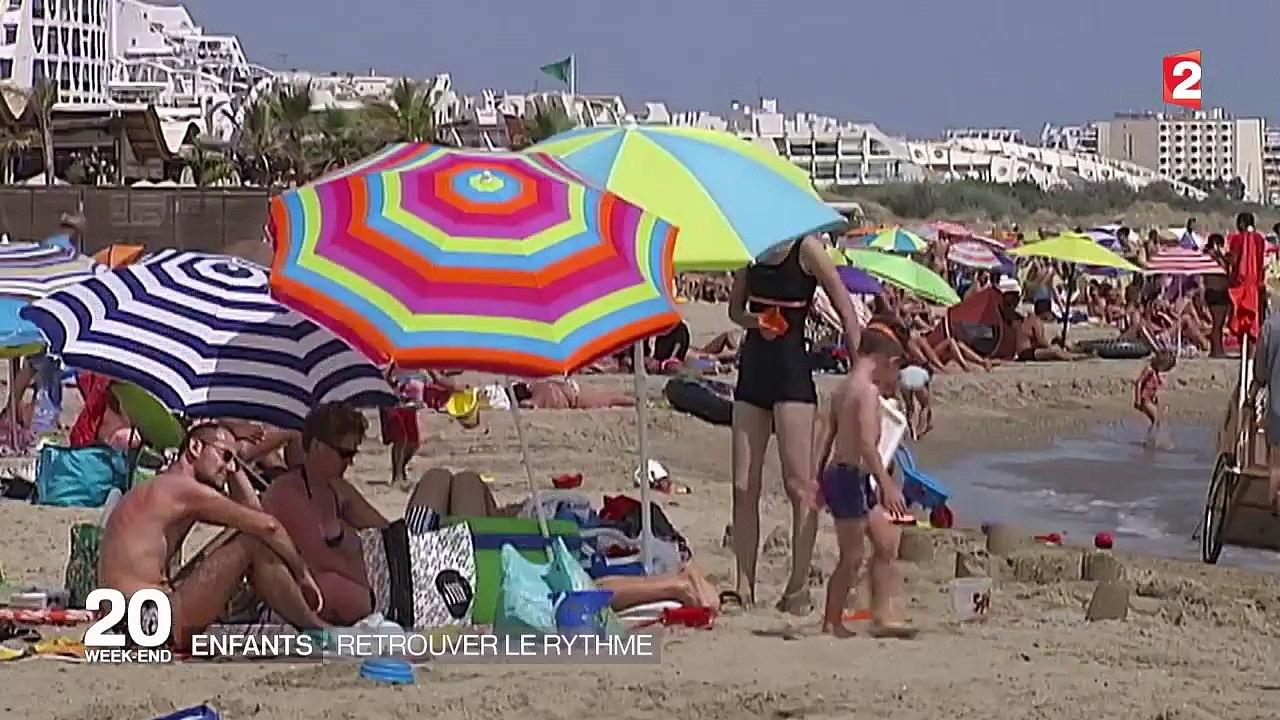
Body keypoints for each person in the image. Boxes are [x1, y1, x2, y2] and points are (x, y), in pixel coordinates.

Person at [97, 422, 326, 650]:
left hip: (123, 618)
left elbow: (253, 513)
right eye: (225, 456)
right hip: (145, 620)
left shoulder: (164, 486)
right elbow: (268, 526)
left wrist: (233, 463)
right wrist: (302, 573)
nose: (229, 468)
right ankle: (318, 630)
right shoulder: (183, 490)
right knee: (251, 543)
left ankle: (310, 626)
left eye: (233, 461)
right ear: (195, 447)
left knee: (242, 532)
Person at [727, 234, 862, 613]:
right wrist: (757, 321)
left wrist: (858, 364)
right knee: (742, 485)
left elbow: (842, 302)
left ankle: (797, 588)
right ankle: (743, 587)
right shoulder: (748, 246)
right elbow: (734, 310)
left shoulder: (808, 248)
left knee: (799, 486)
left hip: (791, 375)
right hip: (752, 372)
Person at [811, 329, 915, 639]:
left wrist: (816, 478)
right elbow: (868, 446)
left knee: (886, 540)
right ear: (886, 361)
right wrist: (888, 485)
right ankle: (831, 621)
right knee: (852, 556)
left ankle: (882, 613)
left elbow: (827, 436)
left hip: (844, 475)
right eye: (895, 368)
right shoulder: (866, 393)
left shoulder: (843, 388)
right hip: (848, 478)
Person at [261, 404, 391, 625]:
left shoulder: (338, 490)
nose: (350, 461)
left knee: (445, 481)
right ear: (317, 446)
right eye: (345, 453)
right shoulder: (285, 494)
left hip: (380, 592)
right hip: (346, 603)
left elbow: (389, 531)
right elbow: (312, 566)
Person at [1251, 298, 1280, 513]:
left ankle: (1273, 516)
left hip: (1278, 410)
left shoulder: (1271, 325)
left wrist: (1252, 396)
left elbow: (1259, 373)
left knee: (1276, 466)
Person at [1226, 212, 1267, 346]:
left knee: (1240, 317)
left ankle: (1243, 348)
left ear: (1242, 223)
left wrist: (1221, 257)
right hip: (1256, 284)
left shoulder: (1237, 239)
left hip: (1240, 284)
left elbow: (1234, 260)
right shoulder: (1259, 239)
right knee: (1254, 319)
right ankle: (1252, 350)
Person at [1014, 299, 1089, 361]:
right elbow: (1040, 341)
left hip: (1026, 352)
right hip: (1025, 353)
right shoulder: (1036, 321)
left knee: (1056, 344)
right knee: (1055, 351)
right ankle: (1071, 356)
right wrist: (1051, 347)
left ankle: (1073, 352)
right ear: (1047, 312)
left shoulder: (1032, 319)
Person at [1134, 350, 1176, 448]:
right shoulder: (1149, 369)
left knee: (1156, 420)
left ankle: (1151, 440)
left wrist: (1155, 397)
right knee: (1156, 419)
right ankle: (1151, 440)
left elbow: (1153, 387)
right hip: (1145, 399)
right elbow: (1139, 383)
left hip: (1150, 399)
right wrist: (1137, 399)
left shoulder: (1155, 372)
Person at [1204, 233, 1233, 357]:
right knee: (1217, 323)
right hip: (1215, 291)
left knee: (1219, 323)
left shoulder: (1214, 256)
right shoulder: (1211, 257)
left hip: (1219, 291)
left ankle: (1218, 348)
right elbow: (1221, 270)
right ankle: (1216, 350)